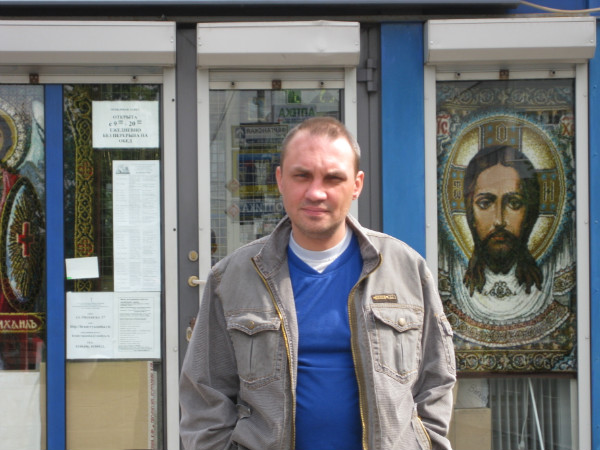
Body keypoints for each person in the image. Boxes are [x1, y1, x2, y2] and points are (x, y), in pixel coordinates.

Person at [180, 116, 456, 450]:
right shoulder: (233, 278)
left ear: (356, 185)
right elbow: (204, 393)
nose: (316, 192)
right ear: (280, 179)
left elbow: (436, 380)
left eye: (333, 178)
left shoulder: (406, 270)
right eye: (302, 176)